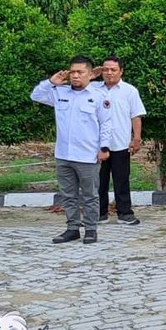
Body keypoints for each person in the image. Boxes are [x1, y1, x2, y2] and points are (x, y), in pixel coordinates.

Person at [31, 55, 112, 244]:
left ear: (90, 74)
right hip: (64, 154)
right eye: (73, 72)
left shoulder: (99, 96)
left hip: (87, 155)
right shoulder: (60, 93)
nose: (75, 76)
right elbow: (35, 95)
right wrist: (51, 82)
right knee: (68, 195)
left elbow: (106, 124)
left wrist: (104, 147)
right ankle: (72, 228)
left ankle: (91, 229)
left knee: (90, 195)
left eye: (80, 72)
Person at [89, 56, 146, 225]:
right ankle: (100, 213)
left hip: (121, 143)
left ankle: (125, 213)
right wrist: (90, 77)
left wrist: (136, 138)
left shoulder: (129, 91)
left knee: (122, 180)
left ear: (121, 71)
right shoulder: (92, 88)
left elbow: (136, 116)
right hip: (98, 145)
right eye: (105, 69)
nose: (109, 73)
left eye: (113, 69)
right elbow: (74, 88)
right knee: (99, 181)